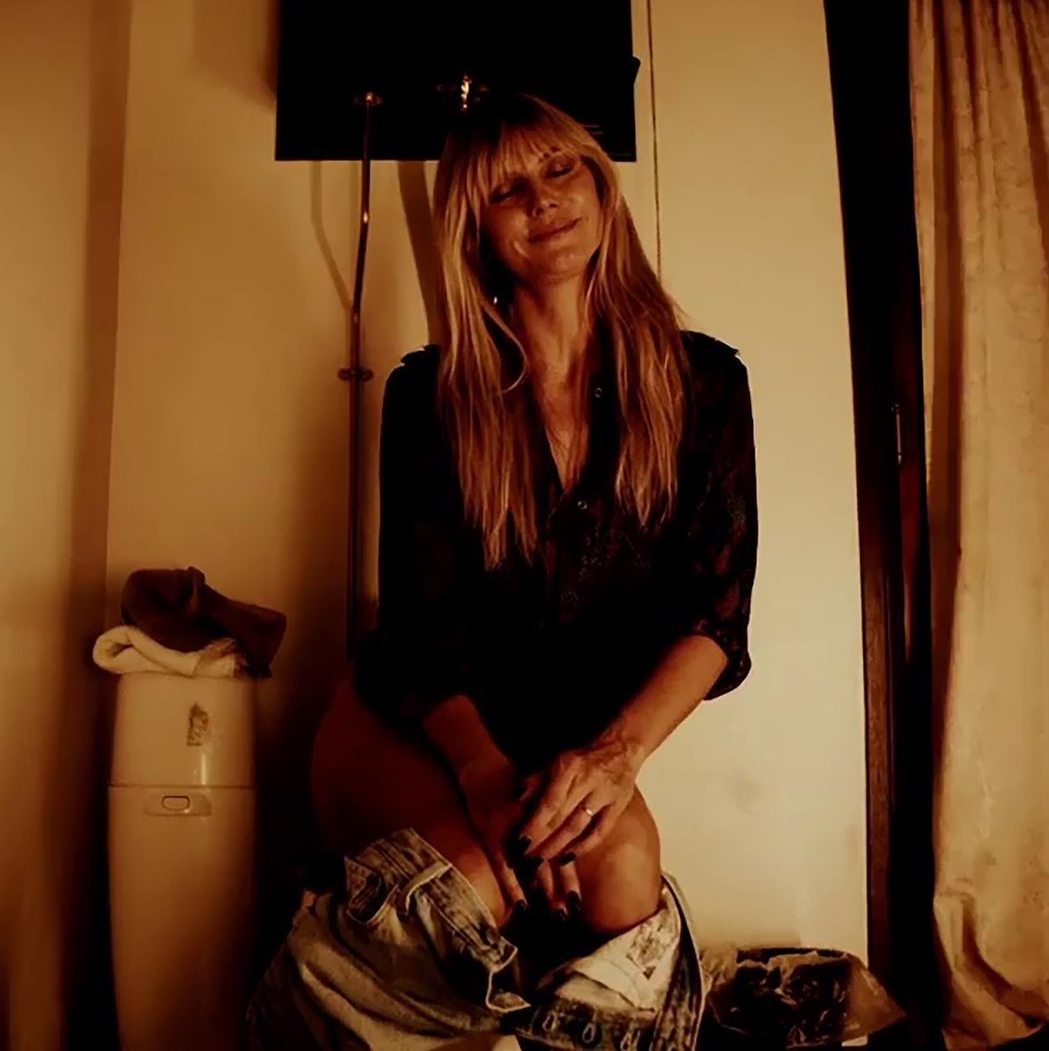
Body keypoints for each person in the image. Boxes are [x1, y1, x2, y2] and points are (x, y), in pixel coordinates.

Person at [312, 91, 758, 950]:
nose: (543, 200)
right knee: (471, 889)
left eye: (559, 170)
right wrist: (485, 778)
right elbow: (418, 631)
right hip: (423, 723)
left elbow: (717, 614)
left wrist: (615, 758)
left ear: (598, 187)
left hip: (572, 738)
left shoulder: (706, 386)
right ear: (475, 228)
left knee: (624, 879)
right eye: (506, 189)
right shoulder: (427, 397)